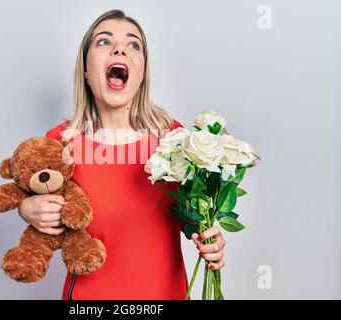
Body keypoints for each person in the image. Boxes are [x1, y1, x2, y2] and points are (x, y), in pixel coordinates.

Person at [18, 9, 226, 300]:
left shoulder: (172, 136)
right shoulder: (60, 141)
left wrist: (207, 235)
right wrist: (27, 210)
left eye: (133, 44)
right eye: (103, 42)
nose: (119, 48)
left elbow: (189, 214)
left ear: (141, 73)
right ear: (86, 72)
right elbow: (37, 200)